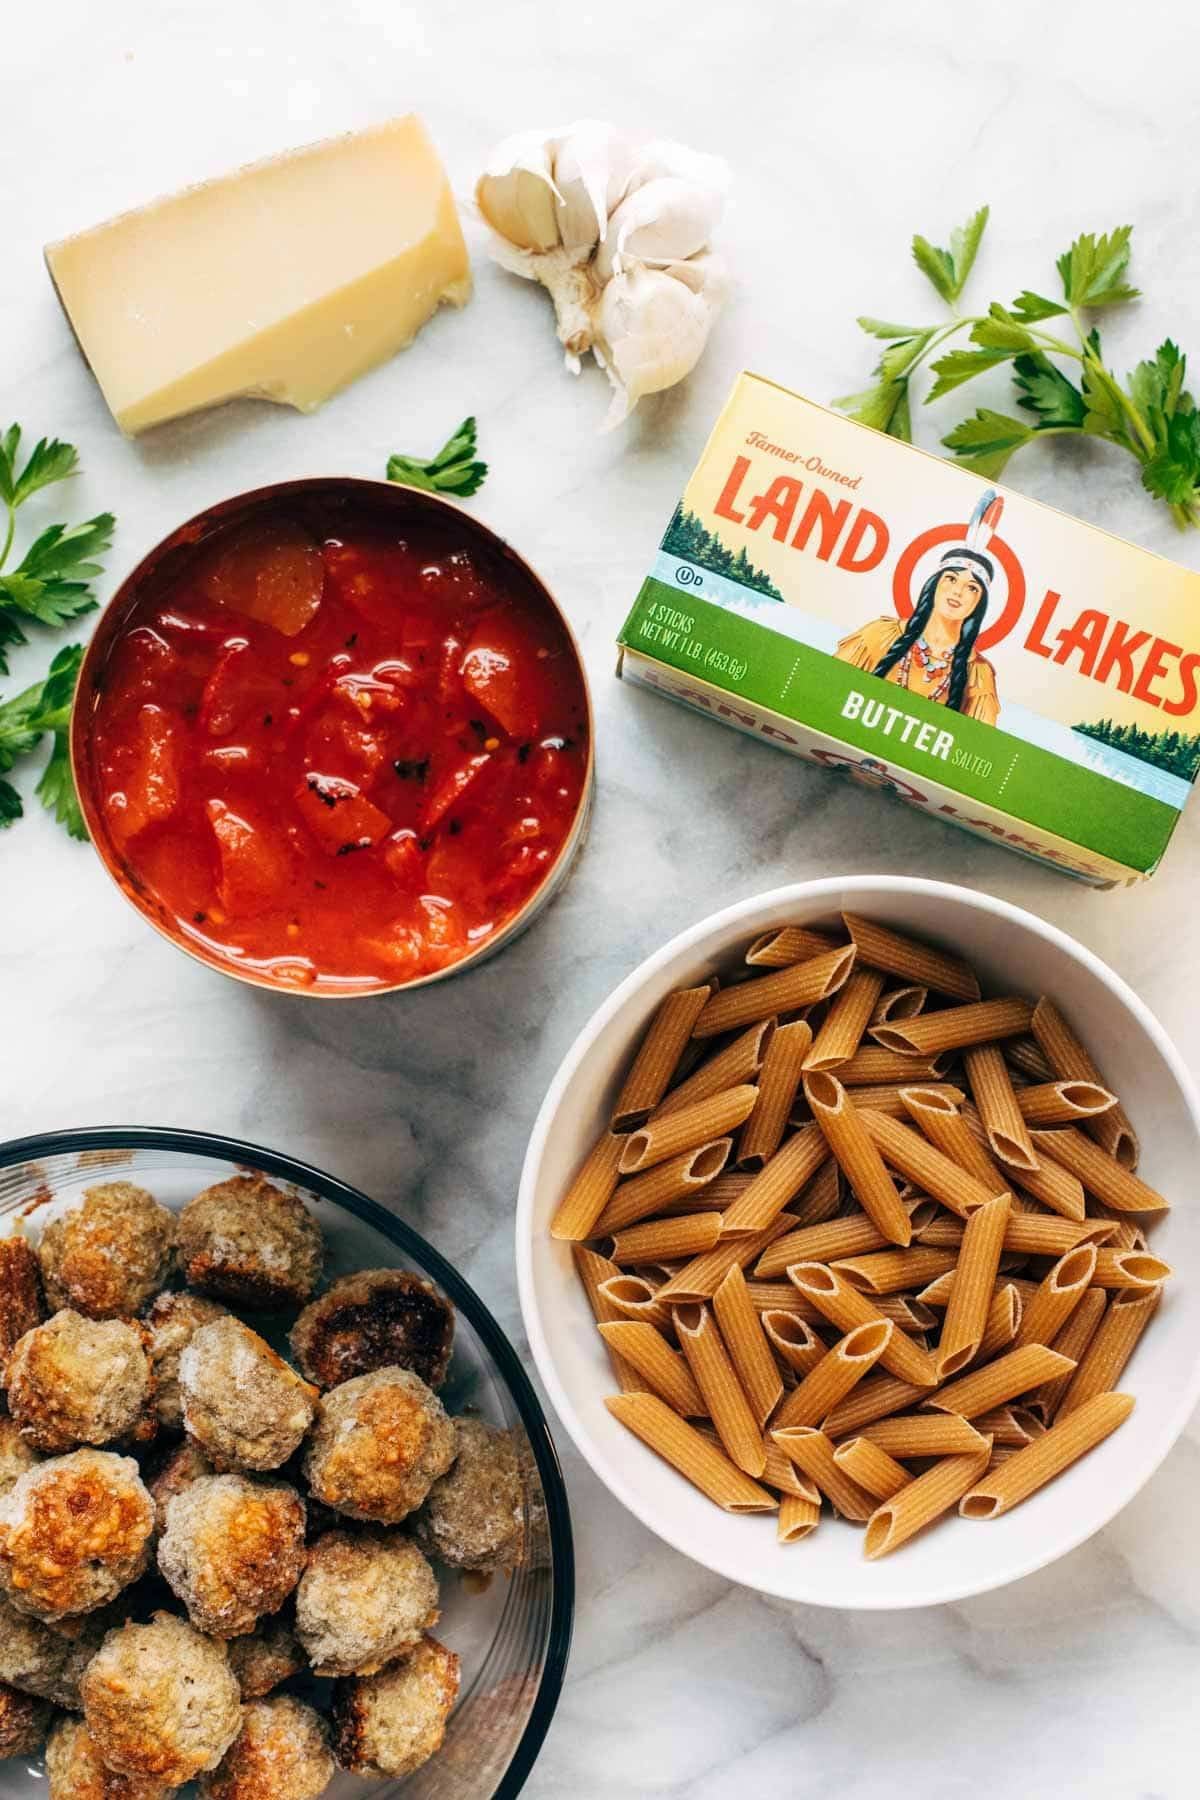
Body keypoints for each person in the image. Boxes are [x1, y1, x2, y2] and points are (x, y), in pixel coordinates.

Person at [835, 490, 1003, 724]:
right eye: (951, 579)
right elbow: (828, 689)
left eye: (972, 588)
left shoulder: (978, 674)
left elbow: (976, 747)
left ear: (979, 605)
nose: (958, 591)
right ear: (933, 586)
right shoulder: (880, 635)